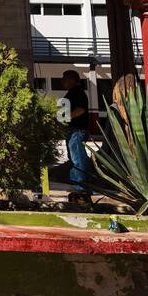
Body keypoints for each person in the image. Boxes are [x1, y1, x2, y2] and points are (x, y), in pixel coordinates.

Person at [60, 70, 91, 199]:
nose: (63, 81)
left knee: (78, 157)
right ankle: (77, 184)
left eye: (65, 78)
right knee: (74, 157)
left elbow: (80, 109)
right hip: (73, 130)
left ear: (72, 79)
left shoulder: (77, 92)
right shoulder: (71, 93)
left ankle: (82, 187)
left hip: (77, 130)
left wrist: (66, 118)